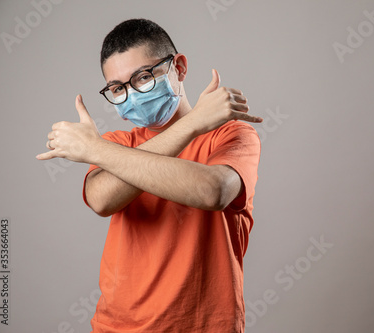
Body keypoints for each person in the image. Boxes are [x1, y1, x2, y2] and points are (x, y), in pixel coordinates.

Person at [37, 18, 262, 333]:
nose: (131, 94)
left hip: (207, 326)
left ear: (179, 68)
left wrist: (92, 149)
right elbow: (101, 199)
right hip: (119, 327)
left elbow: (214, 191)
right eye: (117, 88)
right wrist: (194, 121)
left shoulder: (232, 134)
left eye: (142, 77)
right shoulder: (118, 144)